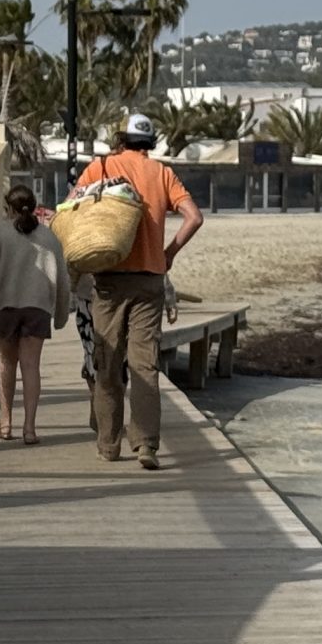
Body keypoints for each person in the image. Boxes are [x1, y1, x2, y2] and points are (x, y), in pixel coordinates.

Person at [74, 112, 203, 470]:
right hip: (150, 278)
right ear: (150, 143)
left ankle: (108, 444)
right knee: (145, 363)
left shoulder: (101, 167)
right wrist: (168, 253)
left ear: (124, 139)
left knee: (108, 360)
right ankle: (146, 444)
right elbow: (194, 217)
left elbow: (72, 207)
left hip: (110, 277)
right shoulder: (162, 173)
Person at [0, 187, 73, 445]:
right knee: (31, 366)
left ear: (10, 209)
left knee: (6, 362)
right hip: (38, 310)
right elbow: (63, 279)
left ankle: (5, 423)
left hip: (6, 308)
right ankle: (30, 429)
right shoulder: (48, 237)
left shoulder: (2, 233)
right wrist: (61, 315)